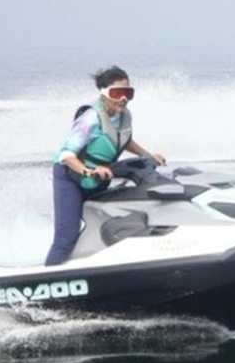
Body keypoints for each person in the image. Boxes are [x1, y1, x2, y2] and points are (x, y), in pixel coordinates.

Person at [45, 66, 166, 266]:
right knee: (66, 237)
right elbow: (66, 155)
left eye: (128, 93)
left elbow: (122, 140)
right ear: (104, 93)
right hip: (72, 176)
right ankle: (47, 279)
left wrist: (148, 155)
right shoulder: (90, 118)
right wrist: (89, 171)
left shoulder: (124, 115)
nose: (123, 98)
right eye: (117, 93)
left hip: (99, 175)